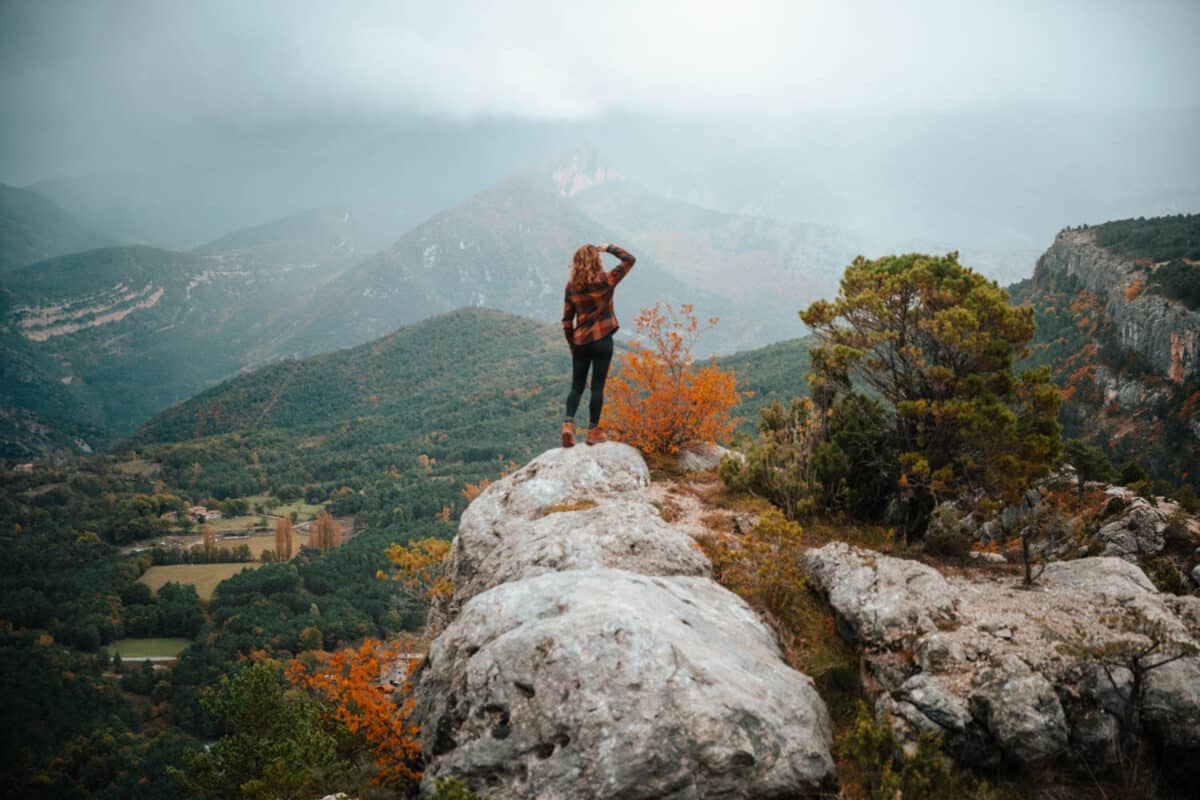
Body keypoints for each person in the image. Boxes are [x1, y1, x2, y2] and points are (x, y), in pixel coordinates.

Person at [560, 242, 636, 447]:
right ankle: (593, 430)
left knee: (576, 386)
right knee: (597, 386)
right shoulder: (605, 281)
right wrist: (609, 247)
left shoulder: (571, 287)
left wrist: (572, 345)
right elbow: (629, 260)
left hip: (581, 342)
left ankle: (568, 425)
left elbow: (567, 320)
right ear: (596, 261)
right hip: (602, 340)